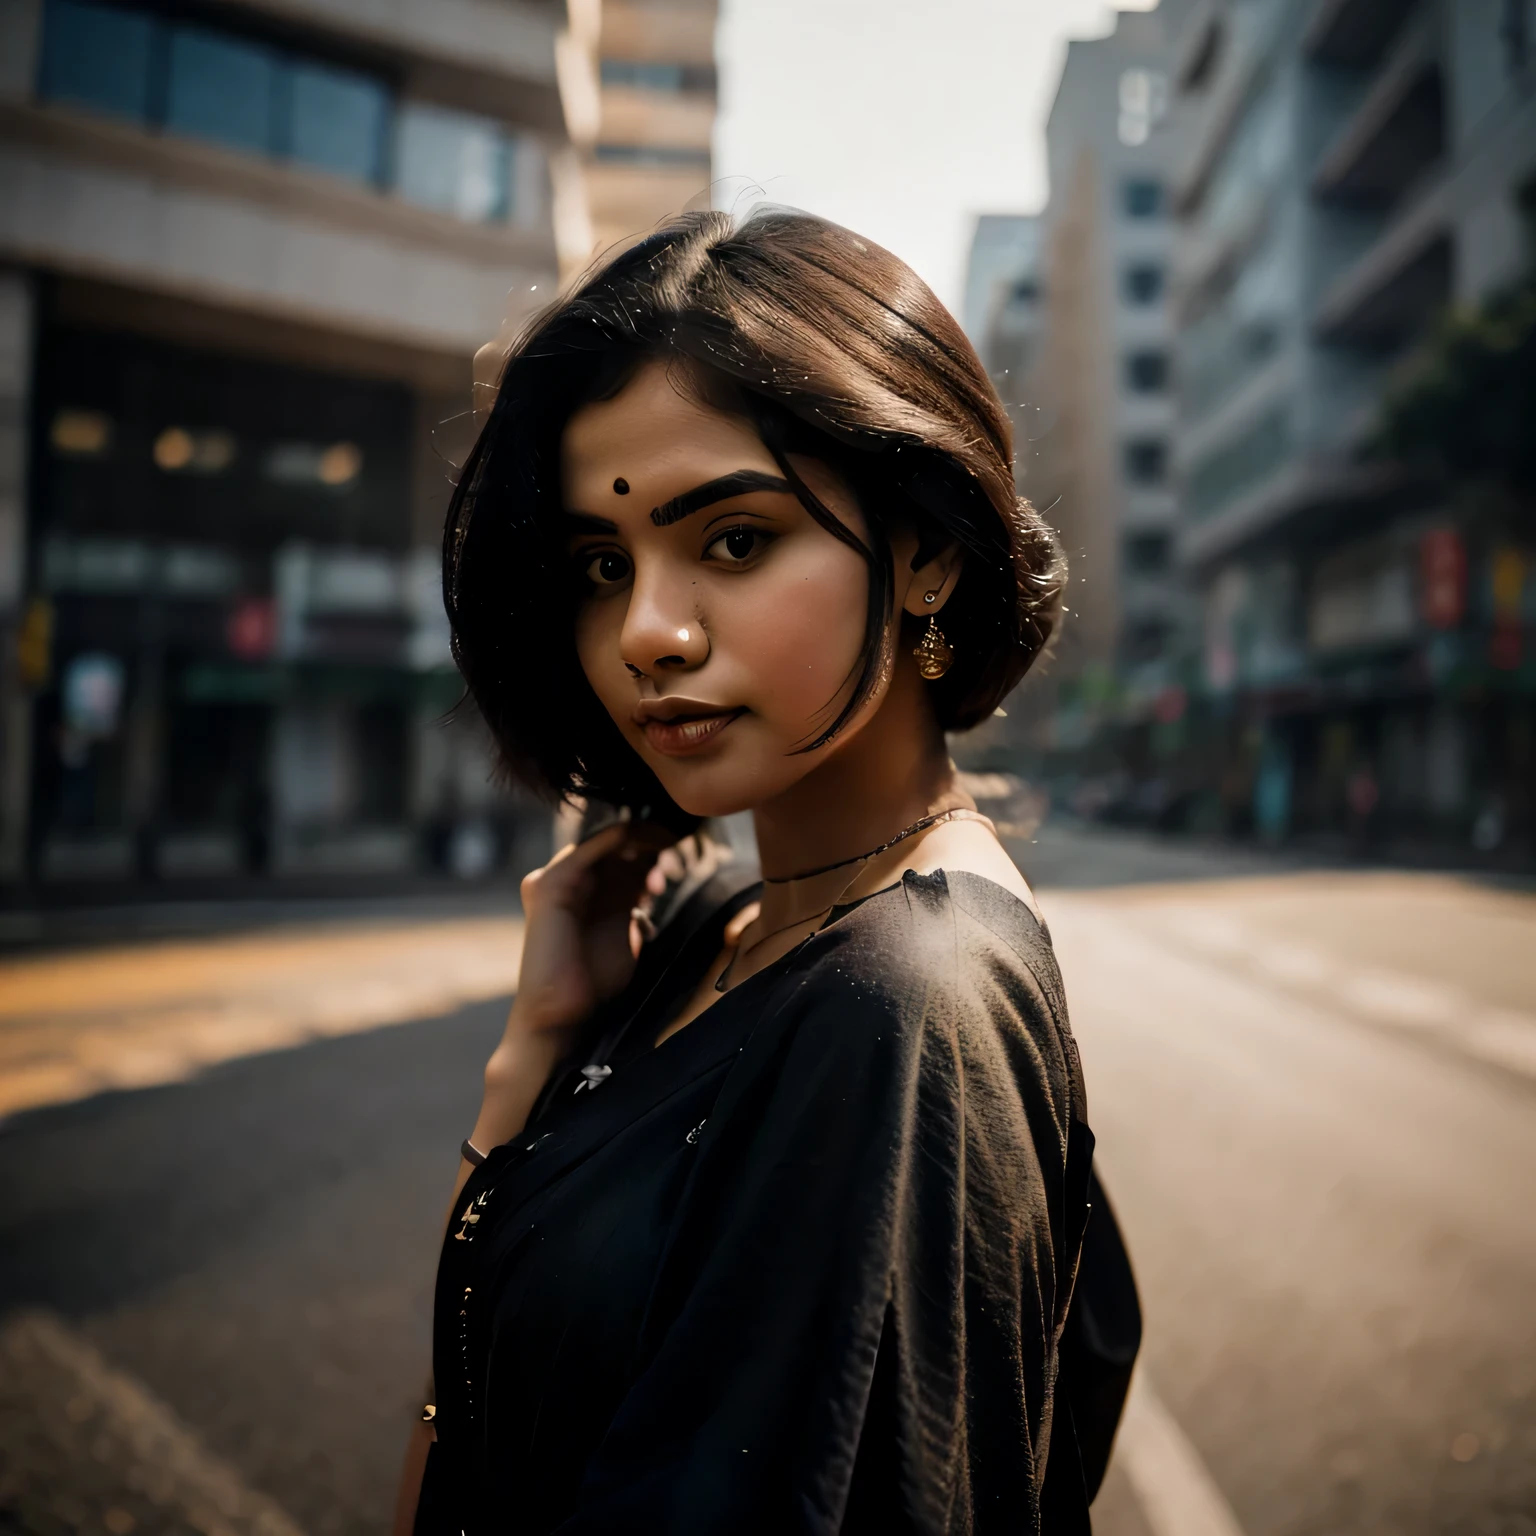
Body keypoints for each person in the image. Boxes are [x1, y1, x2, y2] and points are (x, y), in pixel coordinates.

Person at [393, 207, 1133, 1535]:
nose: (647, 633)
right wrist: (535, 1052)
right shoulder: (719, 920)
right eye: (601, 565)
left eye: (733, 540)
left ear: (926, 551)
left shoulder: (905, 1005)